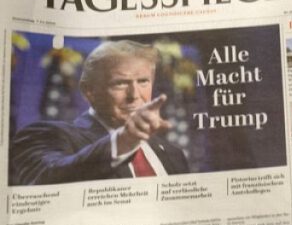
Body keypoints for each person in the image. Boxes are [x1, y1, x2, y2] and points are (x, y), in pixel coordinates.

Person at [10, 40, 189, 185]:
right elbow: (47, 181)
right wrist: (124, 141)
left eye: (143, 81)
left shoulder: (173, 154)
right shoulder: (48, 135)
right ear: (89, 91)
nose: (134, 95)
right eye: (120, 83)